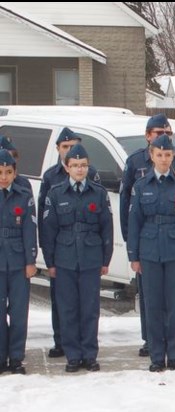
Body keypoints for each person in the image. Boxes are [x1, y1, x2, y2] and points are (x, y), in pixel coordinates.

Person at [120, 114, 175, 359]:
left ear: (173, 156)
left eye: (168, 154)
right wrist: (133, 251)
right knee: (152, 303)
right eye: (159, 154)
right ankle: (155, 353)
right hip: (149, 248)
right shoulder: (141, 185)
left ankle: (174, 355)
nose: (164, 159)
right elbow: (133, 218)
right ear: (151, 154)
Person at [40, 144, 113, 373]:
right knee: (68, 309)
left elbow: (106, 229)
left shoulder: (99, 193)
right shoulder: (56, 193)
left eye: (83, 165)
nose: (79, 170)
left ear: (88, 167)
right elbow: (48, 231)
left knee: (90, 309)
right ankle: (72, 355)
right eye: (74, 166)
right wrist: (50, 262)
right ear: (66, 167)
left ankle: (89, 355)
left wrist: (105, 259)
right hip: (64, 260)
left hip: (91, 259)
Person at [0, 149, 37, 375]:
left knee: (19, 312)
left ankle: (16, 358)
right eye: (0, 172)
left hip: (17, 261)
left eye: (8, 172)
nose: (3, 177)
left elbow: (29, 230)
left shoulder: (23, 195)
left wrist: (30, 261)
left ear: (15, 174)